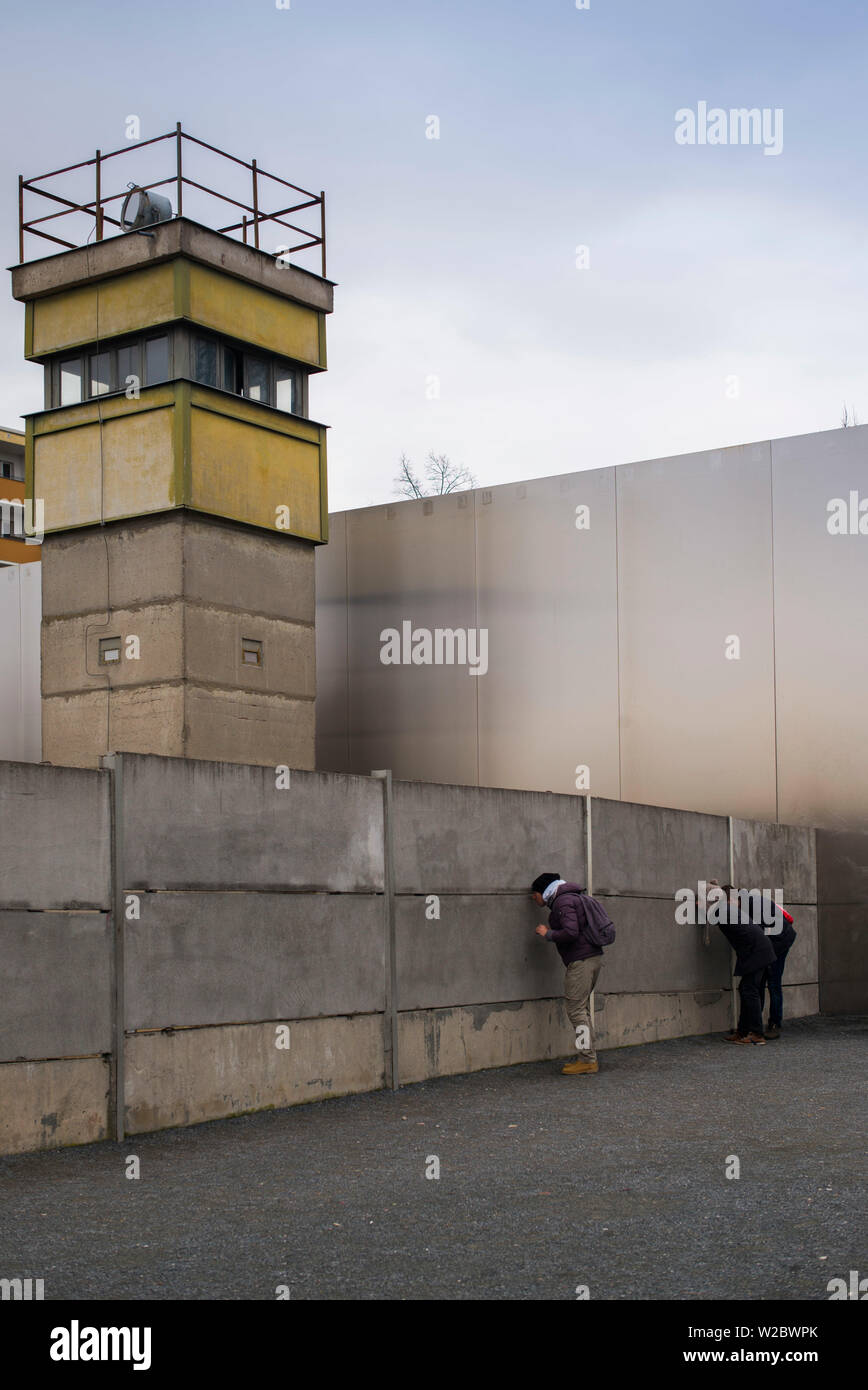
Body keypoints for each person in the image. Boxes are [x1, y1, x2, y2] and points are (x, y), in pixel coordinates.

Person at [531, 872, 604, 1075]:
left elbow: (571, 932)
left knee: (575, 1010)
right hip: (592, 958)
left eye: (534, 894)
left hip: (581, 961)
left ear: (543, 892)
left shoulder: (563, 902)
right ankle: (588, 1055)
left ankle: (587, 1060)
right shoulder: (572, 897)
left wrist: (549, 934)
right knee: (581, 1009)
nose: (533, 899)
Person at [714, 882, 777, 1045]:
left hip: (757, 953)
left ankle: (757, 1034)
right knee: (746, 989)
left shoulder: (726, 910)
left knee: (749, 990)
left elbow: (712, 916)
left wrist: (704, 904)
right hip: (759, 951)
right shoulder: (732, 910)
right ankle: (743, 1031)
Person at [760, 900, 797, 1040]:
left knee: (773, 983)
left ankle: (774, 1023)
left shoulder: (750, 909)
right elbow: (789, 917)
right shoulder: (759, 901)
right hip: (783, 938)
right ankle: (771, 1023)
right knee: (769, 983)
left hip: (778, 943)